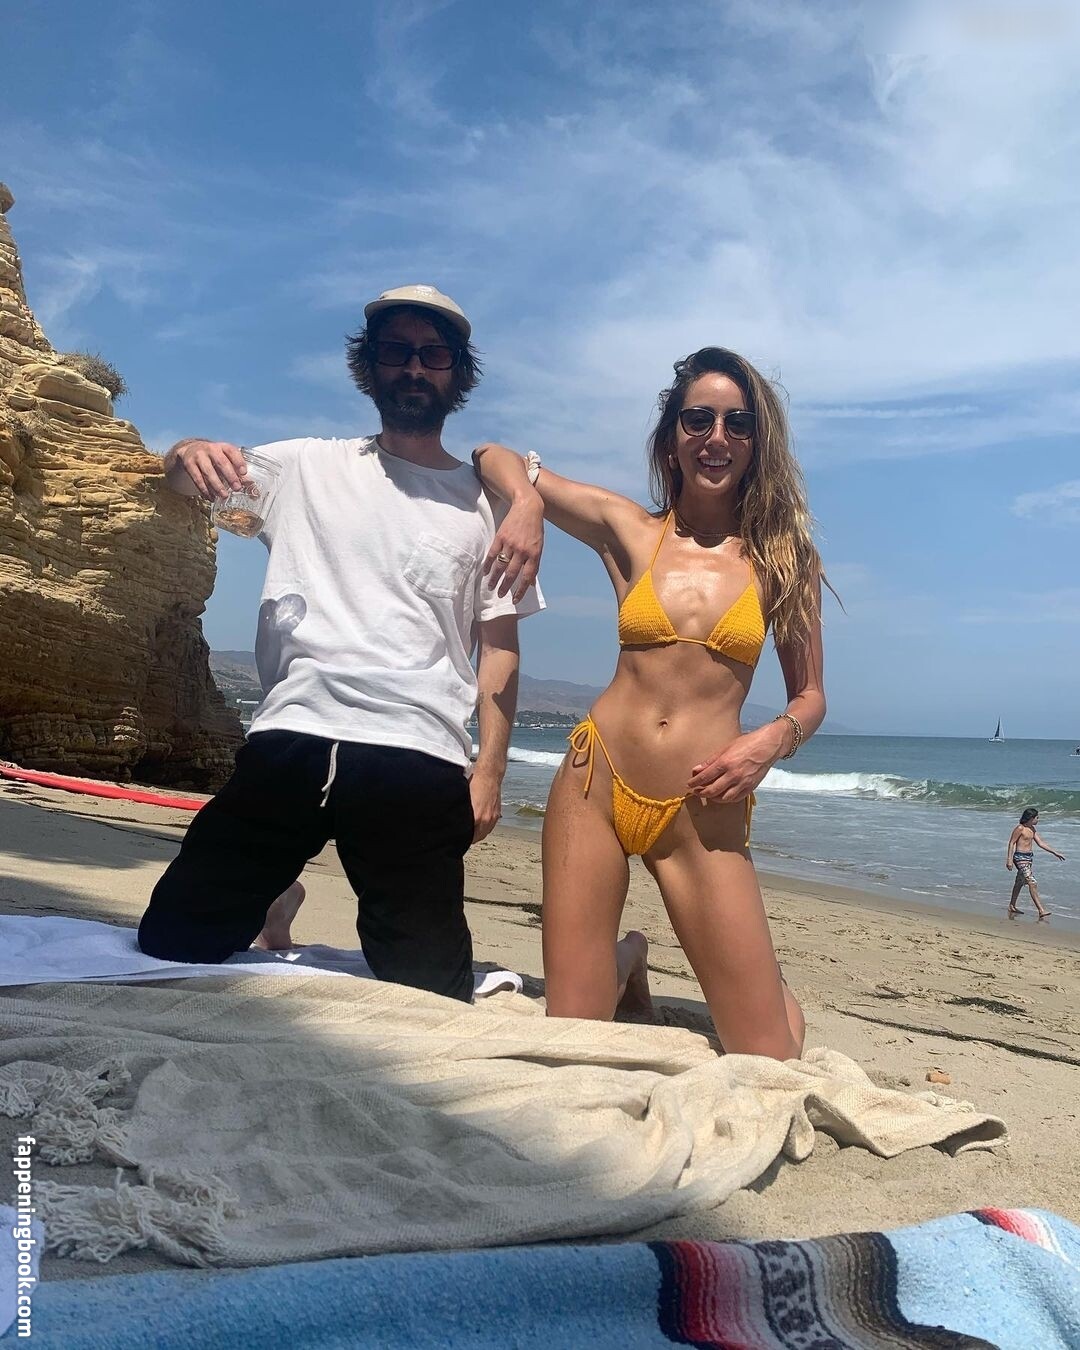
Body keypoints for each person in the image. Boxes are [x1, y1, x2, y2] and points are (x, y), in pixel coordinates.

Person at [138, 285, 544, 1002]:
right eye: (396, 351)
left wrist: (489, 772)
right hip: (294, 733)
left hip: (417, 752)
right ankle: (276, 896)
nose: (413, 367)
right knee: (171, 942)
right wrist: (189, 450)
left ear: (458, 373)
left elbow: (500, 649)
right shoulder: (305, 466)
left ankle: (278, 901)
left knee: (430, 994)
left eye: (433, 354)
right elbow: (180, 480)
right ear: (369, 366)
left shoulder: (486, 506)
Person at [473, 346, 827, 1060]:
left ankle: (752, 981)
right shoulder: (630, 530)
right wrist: (529, 503)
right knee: (574, 1035)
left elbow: (811, 695)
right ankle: (627, 958)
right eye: (699, 419)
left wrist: (770, 741)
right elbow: (492, 456)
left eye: (737, 423)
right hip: (595, 784)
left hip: (701, 804)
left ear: (757, 443)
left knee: (774, 1056)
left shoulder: (784, 560)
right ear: (672, 437)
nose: (717, 437)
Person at [1006, 808, 1063, 921]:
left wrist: (1054, 852)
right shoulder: (1020, 828)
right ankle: (1041, 910)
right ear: (1031, 818)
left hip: (1028, 858)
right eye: (1037, 817)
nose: (1038, 819)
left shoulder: (1032, 829)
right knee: (1032, 882)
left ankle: (1012, 905)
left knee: (1019, 882)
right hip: (1020, 857)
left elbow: (1041, 843)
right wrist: (1009, 860)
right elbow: (1011, 843)